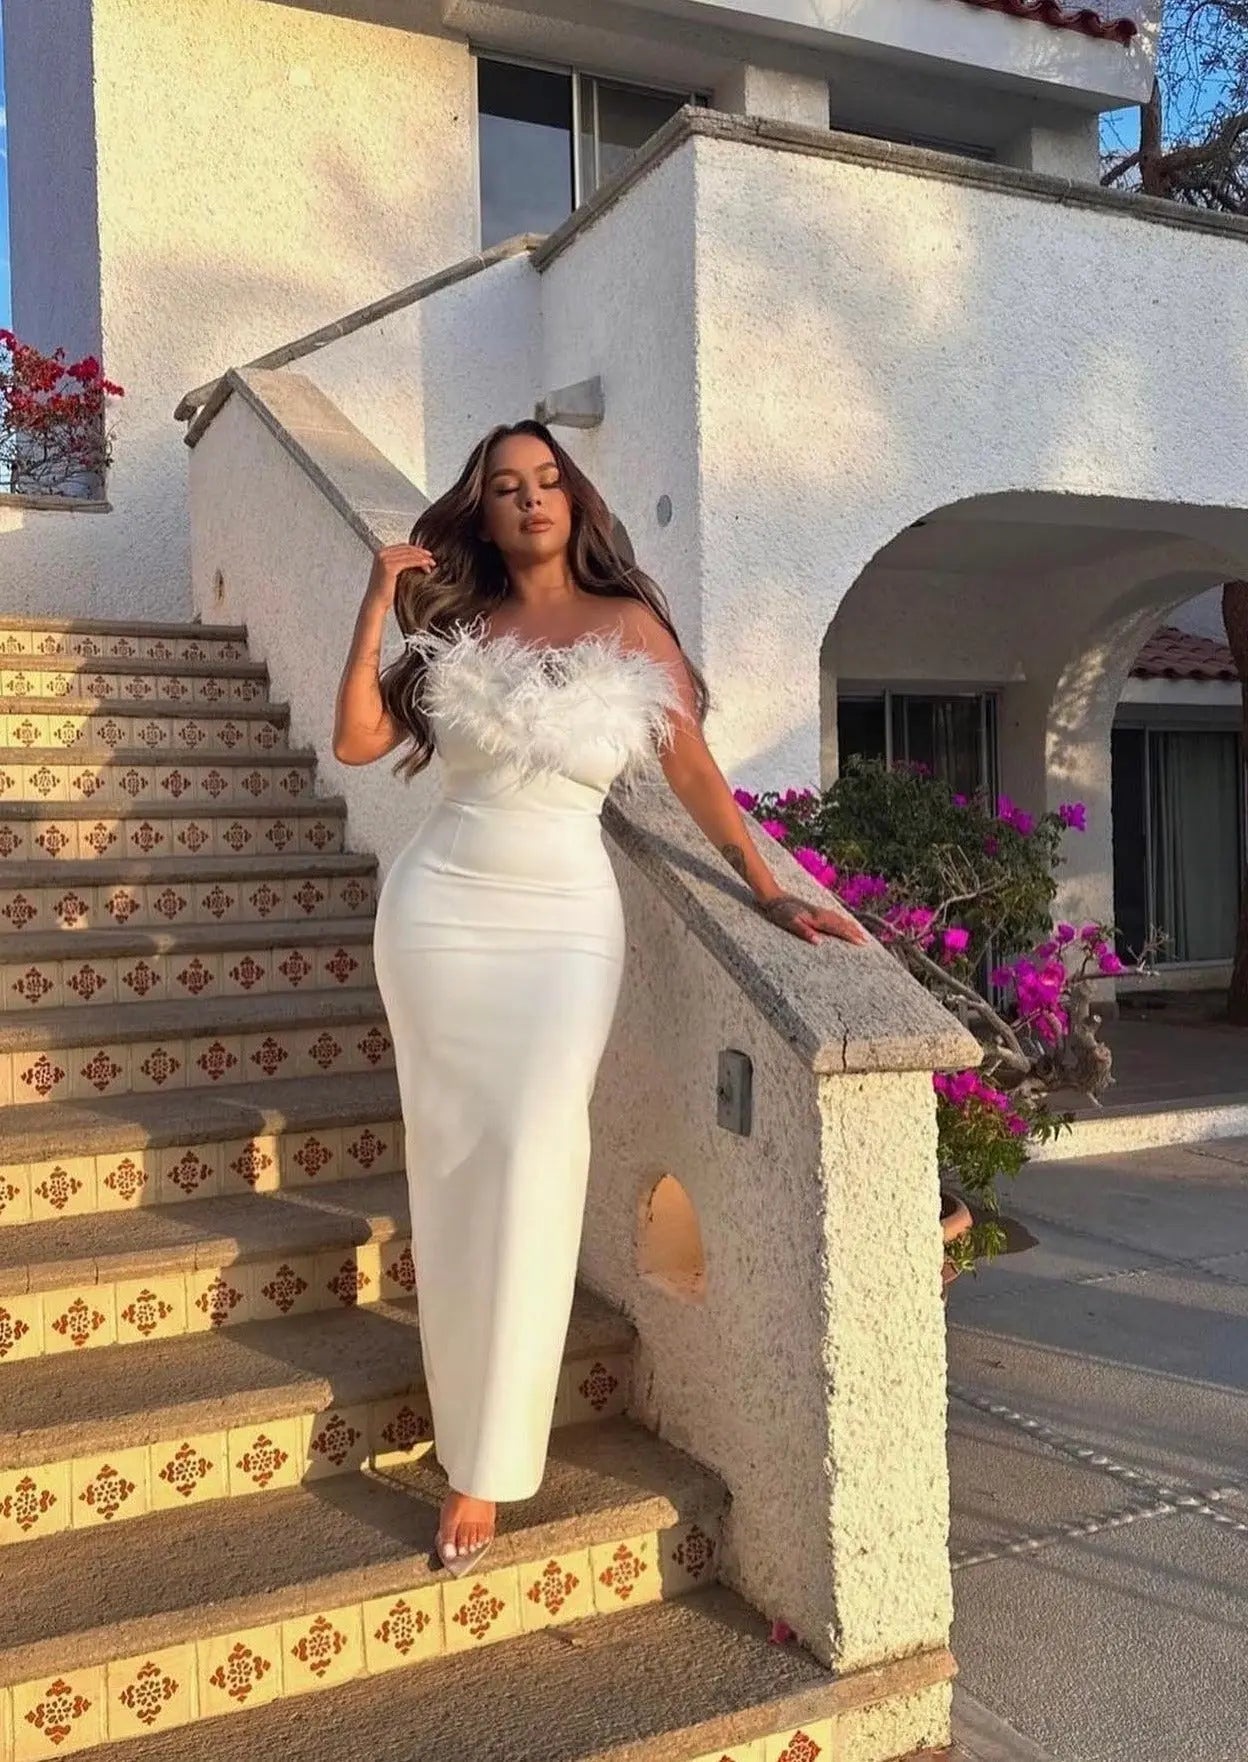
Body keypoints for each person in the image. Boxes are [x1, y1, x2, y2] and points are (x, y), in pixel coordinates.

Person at [332, 419, 869, 1577]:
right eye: (506, 487)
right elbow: (360, 738)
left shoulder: (628, 628)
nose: (531, 499)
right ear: (482, 513)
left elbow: (692, 771)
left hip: (562, 920)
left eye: (548, 481)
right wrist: (377, 600)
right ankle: (463, 1426)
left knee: (535, 1153)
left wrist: (769, 890)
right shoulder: (458, 624)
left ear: (574, 501)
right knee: (452, 1163)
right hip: (437, 912)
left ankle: (488, 1462)